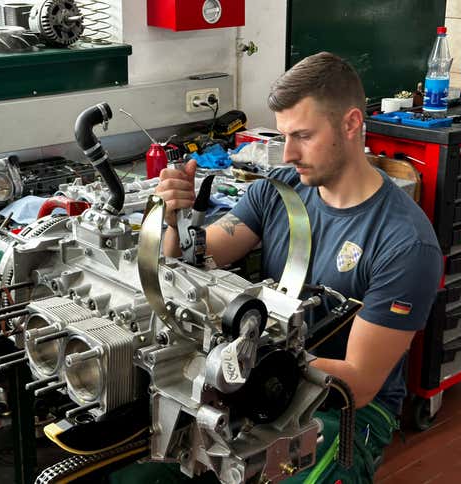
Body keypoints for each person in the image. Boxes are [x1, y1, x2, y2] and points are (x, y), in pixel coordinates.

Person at [115, 52, 443, 483]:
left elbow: (360, 384)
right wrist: (171, 216)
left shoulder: (406, 245)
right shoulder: (281, 190)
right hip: (246, 376)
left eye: (303, 135)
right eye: (284, 135)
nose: (287, 153)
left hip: (340, 408)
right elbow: (193, 263)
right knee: (134, 477)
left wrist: (241, 365)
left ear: (350, 124)